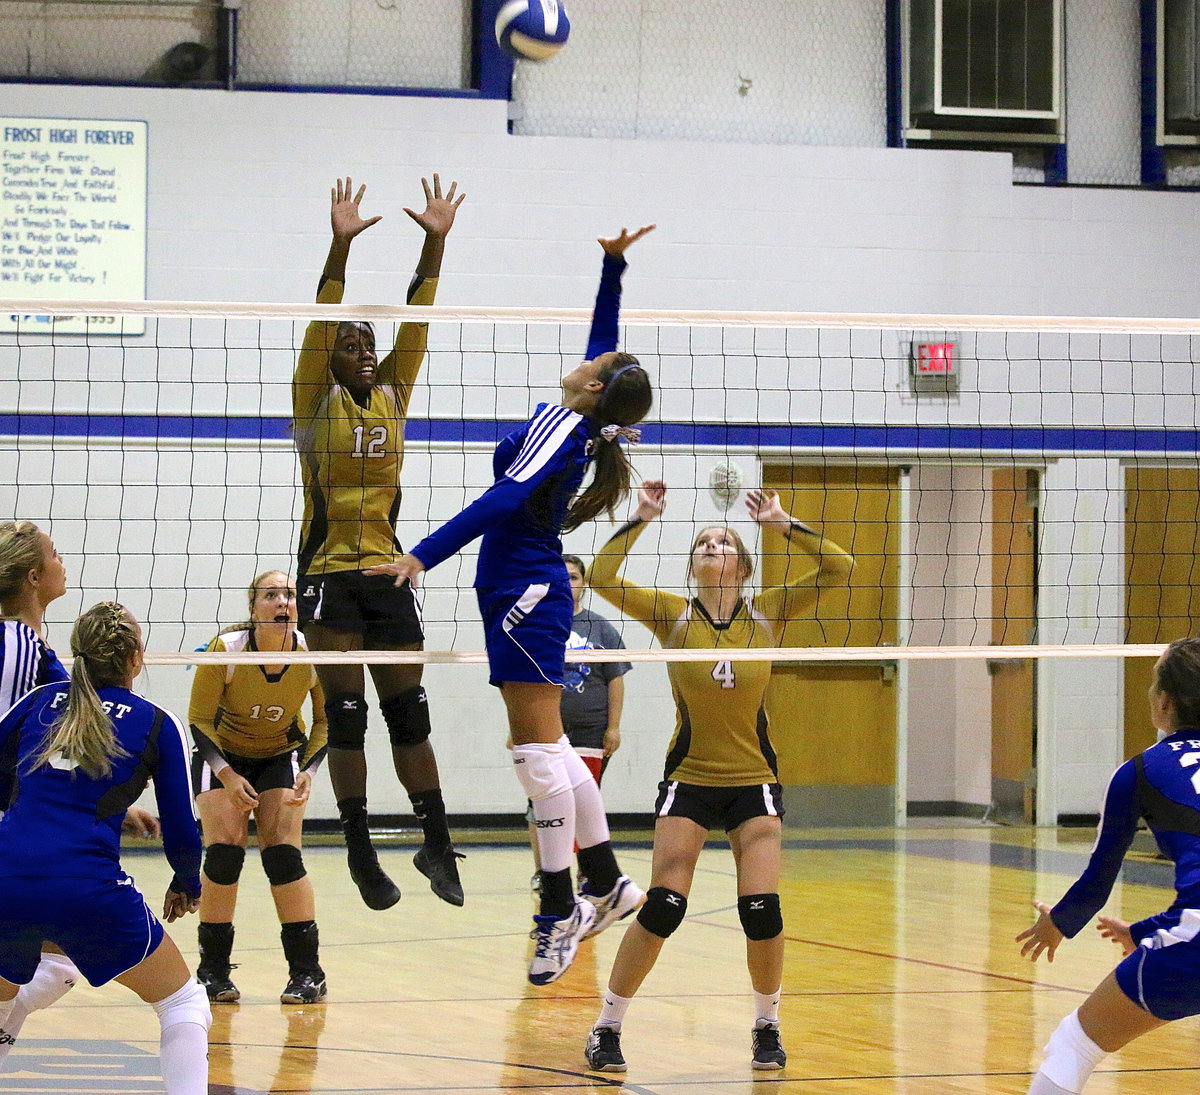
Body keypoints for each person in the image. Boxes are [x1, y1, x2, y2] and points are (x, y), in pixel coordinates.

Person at [367, 223, 656, 986]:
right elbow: (608, 347)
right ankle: (608, 881)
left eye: (598, 365)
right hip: (524, 585)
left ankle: (561, 904)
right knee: (553, 750)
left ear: (593, 387)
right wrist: (612, 267)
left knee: (535, 754)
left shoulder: (565, 427)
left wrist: (420, 554)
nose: (591, 353)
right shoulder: (589, 414)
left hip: (524, 587)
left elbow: (501, 497)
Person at [582, 480, 855, 1073]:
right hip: (691, 777)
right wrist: (642, 517)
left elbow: (841, 567)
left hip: (754, 780)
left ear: (743, 562)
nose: (710, 546)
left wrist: (785, 524)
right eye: (702, 542)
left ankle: (766, 1024)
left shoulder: (769, 609)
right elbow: (602, 578)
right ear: (693, 566)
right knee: (663, 907)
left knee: (761, 910)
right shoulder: (673, 613)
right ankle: (607, 1025)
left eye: (723, 541)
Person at [292, 174, 466, 911]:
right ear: (332, 355)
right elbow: (322, 317)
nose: (364, 348)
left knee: (410, 712)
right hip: (330, 574)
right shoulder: (314, 395)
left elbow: (416, 322)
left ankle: (433, 835)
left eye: (369, 341)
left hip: (389, 572)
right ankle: (361, 851)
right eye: (352, 341)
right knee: (350, 718)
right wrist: (338, 245)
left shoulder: (394, 391)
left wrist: (435, 241)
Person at [0, 602, 208, 1094]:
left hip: (6, 878)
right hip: (87, 889)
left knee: (11, 996)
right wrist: (187, 882)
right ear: (137, 657)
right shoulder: (156, 722)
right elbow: (180, 823)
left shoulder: (38, 700)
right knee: (183, 1003)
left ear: (78, 657)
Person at [1016, 636, 1200, 1095]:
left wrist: (1056, 924)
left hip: (1194, 947)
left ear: (1164, 703)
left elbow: (1098, 880)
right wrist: (1144, 931)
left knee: (1074, 1044)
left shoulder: (1138, 772)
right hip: (1189, 931)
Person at [0, 520, 160, 1042]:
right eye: (55, 554)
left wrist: (111, 803)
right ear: (32, 576)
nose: (63, 562)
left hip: (30, 840)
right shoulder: (19, 647)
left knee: (53, 966)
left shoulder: (36, 652)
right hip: (16, 841)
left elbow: (48, 747)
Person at [189, 570, 329, 1005]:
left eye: (288, 594)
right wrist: (228, 776)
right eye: (271, 595)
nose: (283, 602)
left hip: (278, 755)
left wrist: (310, 769)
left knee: (284, 856)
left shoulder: (309, 654)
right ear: (253, 609)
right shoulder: (226, 650)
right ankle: (213, 971)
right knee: (226, 854)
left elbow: (325, 722)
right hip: (223, 756)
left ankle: (308, 973)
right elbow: (199, 720)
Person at [526, 554, 631, 890]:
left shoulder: (600, 627)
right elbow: (522, 682)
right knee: (541, 802)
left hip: (590, 730)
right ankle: (547, 874)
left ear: (583, 584)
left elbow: (616, 678)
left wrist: (613, 727)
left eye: (572, 577)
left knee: (585, 803)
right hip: (545, 728)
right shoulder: (537, 624)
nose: (566, 583)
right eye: (560, 577)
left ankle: (589, 872)